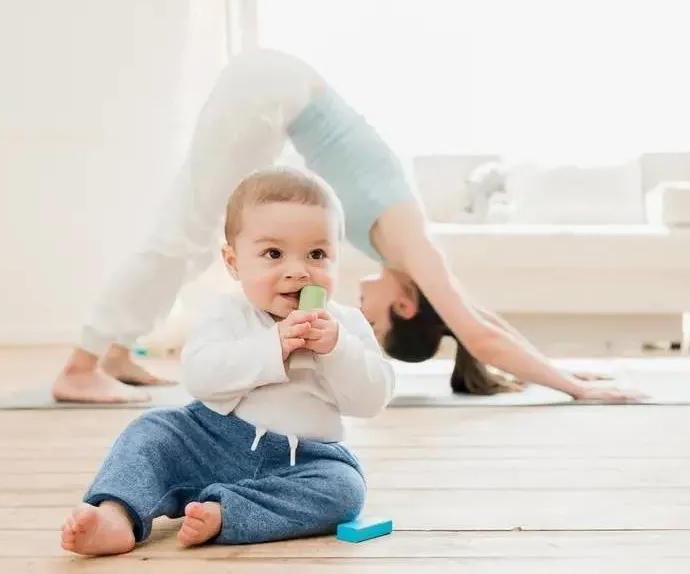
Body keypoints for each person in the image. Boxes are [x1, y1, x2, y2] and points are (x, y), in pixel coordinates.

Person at [51, 49, 639, 404]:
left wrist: (560, 366)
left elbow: (476, 320)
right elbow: (478, 334)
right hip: (272, 91)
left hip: (276, 91)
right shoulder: (415, 248)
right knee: (189, 232)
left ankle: (116, 352)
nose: (360, 301)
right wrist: (574, 387)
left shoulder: (406, 254)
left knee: (192, 227)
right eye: (378, 319)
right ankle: (81, 367)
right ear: (407, 307)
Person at [60, 167, 393, 555]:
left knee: (344, 489)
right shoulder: (227, 314)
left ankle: (228, 513)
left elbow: (372, 399)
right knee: (152, 431)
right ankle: (116, 513)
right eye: (273, 254)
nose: (298, 270)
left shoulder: (346, 325)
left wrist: (337, 349)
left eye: (317, 254)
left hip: (303, 457)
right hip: (214, 438)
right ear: (233, 262)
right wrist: (274, 347)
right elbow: (201, 375)